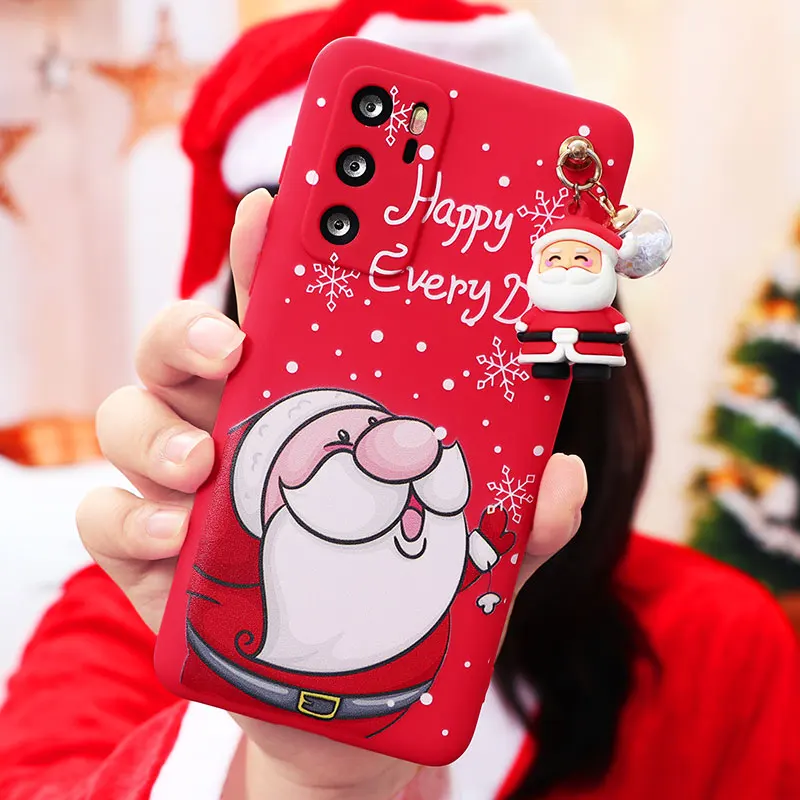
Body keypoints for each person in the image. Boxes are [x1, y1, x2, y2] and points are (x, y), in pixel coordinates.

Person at [1, 2, 799, 799]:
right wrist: (306, 781)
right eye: (341, 301)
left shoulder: (713, 643)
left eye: (475, 290)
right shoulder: (142, 607)